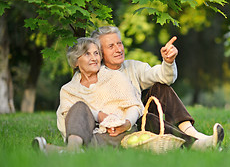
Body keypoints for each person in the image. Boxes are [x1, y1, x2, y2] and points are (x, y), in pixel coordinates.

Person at [33, 37, 216, 153]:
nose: (94, 57)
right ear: (75, 62)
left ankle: (196, 142)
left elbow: (134, 105)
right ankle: (72, 150)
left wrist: (125, 123)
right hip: (89, 135)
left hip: (118, 134)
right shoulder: (68, 89)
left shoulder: (115, 76)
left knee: (148, 118)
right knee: (78, 107)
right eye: (87, 54)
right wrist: (100, 116)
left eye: (96, 53)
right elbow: (67, 118)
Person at [91, 26, 224, 149]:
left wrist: (168, 62)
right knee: (147, 117)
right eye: (111, 46)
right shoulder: (94, 75)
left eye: (119, 43)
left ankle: (192, 132)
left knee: (161, 87)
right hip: (123, 127)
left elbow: (163, 77)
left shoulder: (133, 67)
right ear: (100, 53)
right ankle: (194, 144)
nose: (118, 49)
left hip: (138, 116)